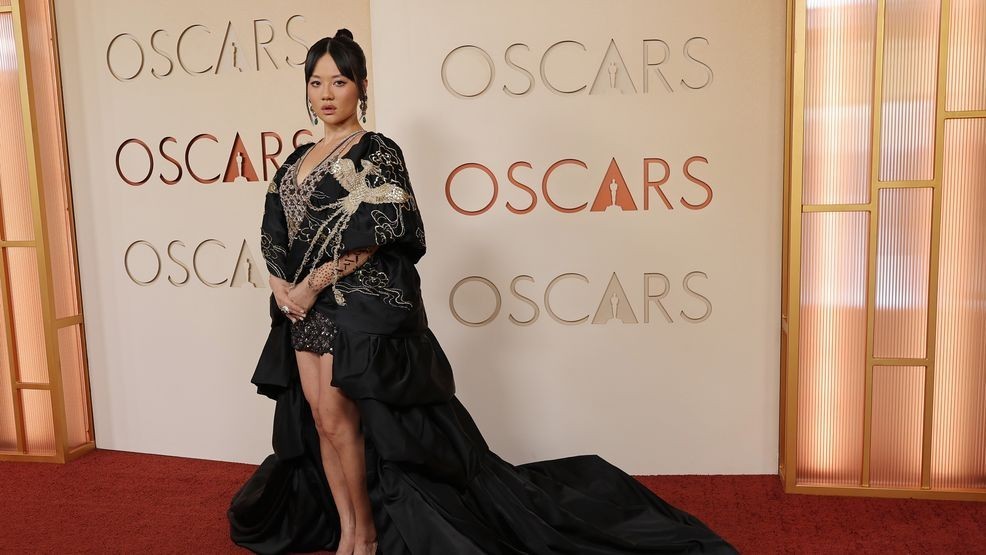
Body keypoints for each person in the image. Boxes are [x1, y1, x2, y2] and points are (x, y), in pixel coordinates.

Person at [228, 28, 737, 555]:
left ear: (361, 86)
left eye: (339, 80)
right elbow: (274, 231)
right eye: (316, 82)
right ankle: (348, 527)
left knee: (341, 418)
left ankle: (366, 535)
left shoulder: (376, 150)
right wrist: (279, 283)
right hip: (300, 310)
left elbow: (384, 227)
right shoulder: (295, 161)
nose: (326, 93)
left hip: (352, 306)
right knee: (320, 420)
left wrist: (310, 286)